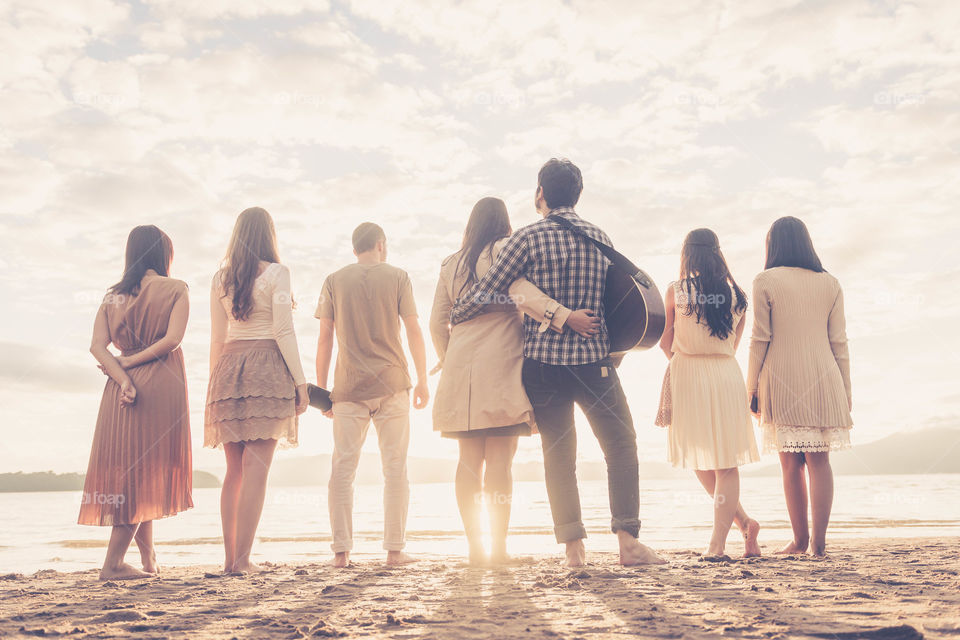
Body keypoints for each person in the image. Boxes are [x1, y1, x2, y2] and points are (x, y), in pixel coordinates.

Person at [450, 159, 664, 567]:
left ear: (540, 194)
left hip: (542, 366)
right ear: (577, 194)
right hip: (594, 364)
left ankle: (574, 550)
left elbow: (490, 290)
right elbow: (615, 305)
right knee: (620, 446)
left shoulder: (526, 239)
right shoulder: (600, 237)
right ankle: (628, 543)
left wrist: (457, 313)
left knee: (559, 455)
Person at [429, 197, 601, 565]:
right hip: (502, 363)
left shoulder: (450, 264)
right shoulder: (506, 250)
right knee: (500, 464)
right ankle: (499, 549)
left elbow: (436, 321)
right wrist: (563, 315)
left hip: (461, 366)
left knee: (468, 462)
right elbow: (524, 295)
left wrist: (448, 356)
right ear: (504, 223)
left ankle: (475, 548)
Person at [79, 224, 193, 580]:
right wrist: (130, 365)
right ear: (164, 255)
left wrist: (123, 374)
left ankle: (148, 560)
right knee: (145, 472)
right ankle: (113, 564)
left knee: (136, 471)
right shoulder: (176, 288)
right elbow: (173, 340)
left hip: (120, 389)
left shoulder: (113, 295)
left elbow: (97, 346)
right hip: (160, 382)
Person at [315, 222, 429, 568]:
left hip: (348, 388)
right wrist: (423, 379)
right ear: (381, 244)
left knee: (342, 469)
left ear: (355, 250)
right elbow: (412, 329)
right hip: (393, 382)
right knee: (395, 468)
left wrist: (322, 393)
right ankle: (395, 552)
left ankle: (341, 553)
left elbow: (325, 338)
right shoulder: (398, 276)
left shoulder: (334, 280)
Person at [205, 207, 309, 574]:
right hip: (266, 366)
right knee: (257, 468)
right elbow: (283, 331)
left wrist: (213, 386)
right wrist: (300, 382)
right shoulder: (278, 273)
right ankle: (242, 561)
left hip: (228, 369)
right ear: (270, 235)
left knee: (234, 471)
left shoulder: (220, 278)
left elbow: (218, 338)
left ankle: (229, 560)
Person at [747, 216, 853, 557]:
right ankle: (818, 545)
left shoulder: (765, 280)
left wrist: (750, 388)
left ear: (772, 244)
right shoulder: (831, 283)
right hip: (825, 377)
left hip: (781, 376)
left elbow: (760, 339)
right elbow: (839, 342)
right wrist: (846, 391)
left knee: (790, 464)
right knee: (820, 461)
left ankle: (800, 541)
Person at [657, 228, 761, 559]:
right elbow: (733, 344)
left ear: (687, 254)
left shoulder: (676, 291)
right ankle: (743, 523)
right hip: (726, 374)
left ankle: (717, 544)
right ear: (718, 253)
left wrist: (684, 361)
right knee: (723, 461)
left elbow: (664, 341)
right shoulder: (739, 296)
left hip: (688, 372)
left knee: (700, 454)